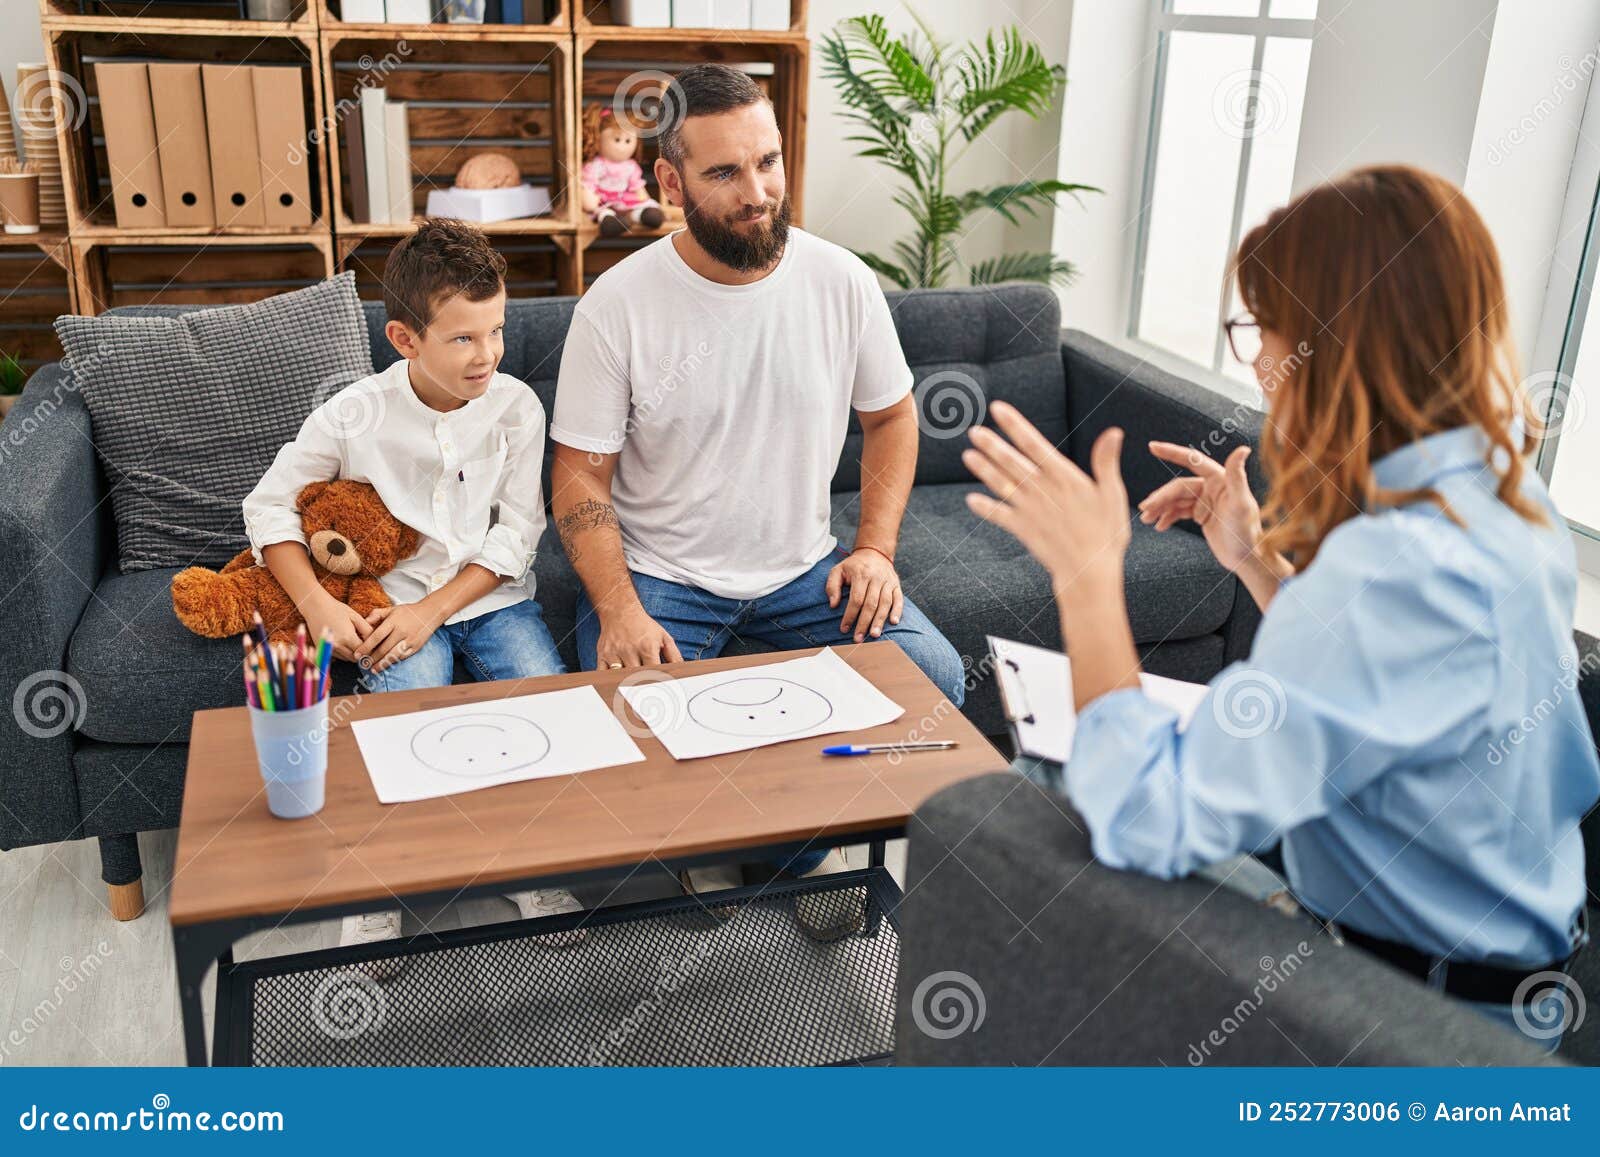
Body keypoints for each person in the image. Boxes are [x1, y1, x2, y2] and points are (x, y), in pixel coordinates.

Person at [962, 164, 1599, 1051]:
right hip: (1515, 970)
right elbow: (1389, 687)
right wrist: (1256, 563)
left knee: (1050, 784)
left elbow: (1150, 816)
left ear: (1338, 341)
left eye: (1266, 327)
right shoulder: (1508, 495)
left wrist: (1086, 575)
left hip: (1409, 1022)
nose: (1260, 362)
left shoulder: (1391, 567)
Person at [549, 63, 964, 939]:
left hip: (802, 573)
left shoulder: (841, 281)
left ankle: (782, 860)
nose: (759, 194)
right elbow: (579, 476)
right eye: (726, 173)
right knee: (622, 728)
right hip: (664, 580)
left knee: (934, 680)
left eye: (769, 163)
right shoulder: (616, 306)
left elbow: (892, 418)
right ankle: (693, 853)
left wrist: (874, 550)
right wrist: (618, 607)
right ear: (670, 181)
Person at [242, 218, 582, 960]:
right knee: (400, 733)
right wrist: (320, 605)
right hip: (389, 608)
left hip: (488, 600)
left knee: (543, 709)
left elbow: (519, 532)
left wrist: (435, 610)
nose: (487, 354)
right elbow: (267, 505)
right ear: (404, 339)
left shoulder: (518, 406)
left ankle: (528, 863)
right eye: (463, 338)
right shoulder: (354, 412)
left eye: (495, 330)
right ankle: (385, 885)